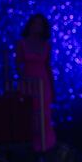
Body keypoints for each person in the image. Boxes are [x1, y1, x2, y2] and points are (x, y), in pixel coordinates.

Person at [17, 13, 57, 152]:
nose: (37, 27)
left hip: (43, 81)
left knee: (44, 114)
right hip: (28, 81)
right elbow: (18, 64)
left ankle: (45, 147)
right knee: (29, 113)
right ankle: (30, 146)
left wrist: (52, 88)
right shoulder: (22, 43)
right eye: (35, 23)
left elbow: (48, 66)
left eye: (40, 24)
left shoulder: (46, 45)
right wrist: (22, 80)